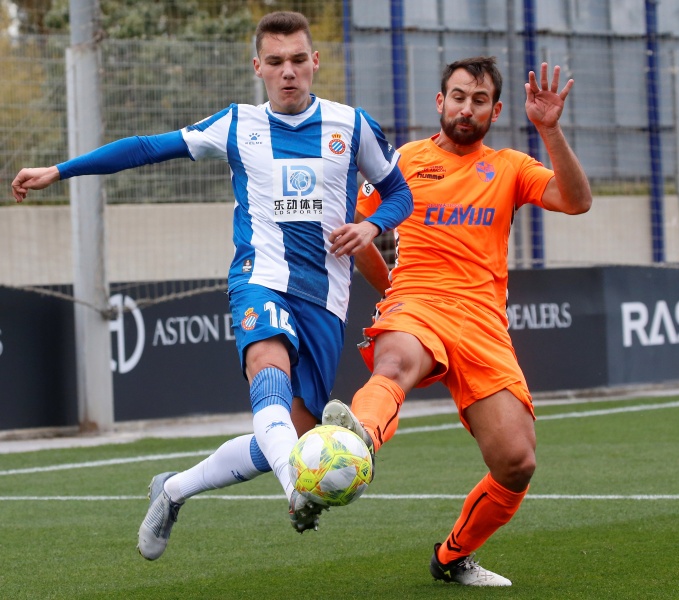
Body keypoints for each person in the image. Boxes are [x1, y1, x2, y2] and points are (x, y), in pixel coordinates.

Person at [11, 11, 412, 559]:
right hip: (258, 280)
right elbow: (146, 147)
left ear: (315, 62)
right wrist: (60, 171)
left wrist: (371, 225)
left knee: (289, 439)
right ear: (257, 67)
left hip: (325, 299)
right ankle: (296, 490)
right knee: (268, 373)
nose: (288, 71)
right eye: (275, 61)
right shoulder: (236, 124)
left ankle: (173, 490)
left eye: (298, 59)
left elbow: (400, 194)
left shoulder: (352, 126)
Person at [322, 56, 592, 587]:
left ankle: (451, 557)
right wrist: (393, 290)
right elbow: (359, 230)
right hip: (418, 301)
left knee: (517, 462)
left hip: (483, 323)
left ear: (495, 111)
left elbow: (576, 201)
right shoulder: (403, 160)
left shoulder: (511, 166)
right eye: (459, 97)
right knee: (394, 362)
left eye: (480, 100)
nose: (467, 108)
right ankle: (356, 445)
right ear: (440, 102)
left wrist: (550, 130)